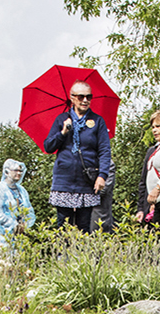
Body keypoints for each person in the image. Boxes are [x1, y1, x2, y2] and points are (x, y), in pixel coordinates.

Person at [43, 80, 112, 232]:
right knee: (63, 228)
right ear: (72, 98)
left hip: (87, 182)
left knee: (84, 228)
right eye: (81, 97)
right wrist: (63, 132)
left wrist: (102, 175)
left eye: (89, 96)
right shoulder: (61, 120)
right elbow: (48, 146)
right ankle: (62, 256)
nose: (85, 100)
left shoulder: (97, 121)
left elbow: (105, 151)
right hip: (64, 181)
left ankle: (81, 255)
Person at [0, 159, 36, 255]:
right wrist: (14, 225)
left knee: (20, 263)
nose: (19, 173)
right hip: (2, 236)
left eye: (20, 171)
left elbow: (29, 210)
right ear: (7, 171)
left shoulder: (22, 191)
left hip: (20, 236)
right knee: (3, 262)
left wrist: (26, 224)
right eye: (15, 170)